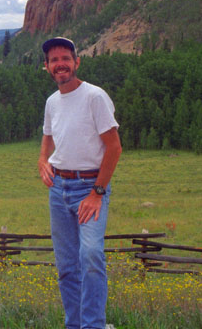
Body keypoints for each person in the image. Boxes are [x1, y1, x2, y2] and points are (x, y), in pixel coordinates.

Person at [38, 37, 122, 329]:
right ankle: (74, 324)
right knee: (66, 266)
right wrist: (42, 160)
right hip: (58, 189)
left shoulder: (94, 97)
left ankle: (93, 325)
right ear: (47, 67)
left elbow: (114, 147)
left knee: (91, 256)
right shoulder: (52, 101)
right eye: (54, 60)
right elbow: (48, 135)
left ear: (77, 62)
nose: (60, 64)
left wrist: (97, 193)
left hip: (90, 187)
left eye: (65, 58)